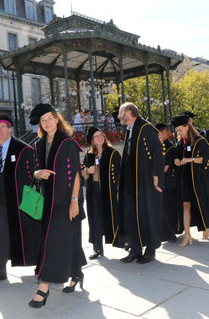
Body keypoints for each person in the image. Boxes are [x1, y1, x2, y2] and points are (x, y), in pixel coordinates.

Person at [28, 103, 86, 308]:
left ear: (56, 118)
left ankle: (43, 288)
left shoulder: (67, 142)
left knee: (52, 242)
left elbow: (77, 174)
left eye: (49, 118)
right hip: (47, 201)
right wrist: (38, 173)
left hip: (66, 200)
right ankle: (77, 272)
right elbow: (35, 170)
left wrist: (74, 202)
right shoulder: (39, 144)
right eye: (42, 121)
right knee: (67, 238)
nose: (46, 123)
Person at [0, 115, 41, 285]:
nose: (0, 131)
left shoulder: (23, 149)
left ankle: (41, 265)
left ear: (10, 129)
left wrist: (31, 200)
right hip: (1, 201)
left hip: (21, 202)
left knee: (32, 233)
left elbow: (33, 176)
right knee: (0, 235)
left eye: (4, 127)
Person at [114, 102, 165, 264]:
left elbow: (158, 153)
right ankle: (135, 250)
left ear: (130, 112)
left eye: (121, 112)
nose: (118, 116)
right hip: (131, 184)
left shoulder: (146, 128)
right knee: (130, 217)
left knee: (147, 215)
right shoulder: (130, 129)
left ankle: (150, 251)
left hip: (145, 183)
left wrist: (156, 177)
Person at [172, 114, 209, 246]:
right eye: (176, 131)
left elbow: (206, 158)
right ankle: (187, 235)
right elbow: (176, 157)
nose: (178, 133)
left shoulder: (200, 141)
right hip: (185, 178)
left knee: (201, 203)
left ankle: (205, 227)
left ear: (187, 127)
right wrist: (176, 160)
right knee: (185, 205)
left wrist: (190, 159)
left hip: (198, 179)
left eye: (180, 130)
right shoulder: (180, 143)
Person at [82, 126, 121, 259]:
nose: (99, 138)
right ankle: (97, 249)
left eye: (101, 135)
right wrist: (88, 171)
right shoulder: (89, 155)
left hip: (109, 192)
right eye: (96, 136)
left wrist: (118, 191)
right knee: (95, 219)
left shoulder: (113, 153)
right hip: (94, 191)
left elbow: (121, 174)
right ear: (92, 140)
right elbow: (82, 173)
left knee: (115, 217)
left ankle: (126, 242)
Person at [156, 123, 179, 242]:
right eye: (161, 132)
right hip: (158, 181)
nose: (163, 134)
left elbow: (166, 167)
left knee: (169, 208)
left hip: (168, 182)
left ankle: (171, 233)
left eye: (165, 132)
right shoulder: (154, 146)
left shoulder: (171, 147)